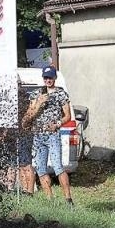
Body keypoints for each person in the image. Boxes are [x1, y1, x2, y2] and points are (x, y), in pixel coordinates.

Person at [21, 65, 75, 203]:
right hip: (38, 135)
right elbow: (29, 114)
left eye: (50, 77)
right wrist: (39, 103)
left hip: (52, 135)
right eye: (45, 77)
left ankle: (68, 199)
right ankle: (50, 199)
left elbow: (67, 116)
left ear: (55, 78)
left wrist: (57, 124)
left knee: (58, 166)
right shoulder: (36, 94)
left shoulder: (61, 94)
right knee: (40, 168)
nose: (48, 80)